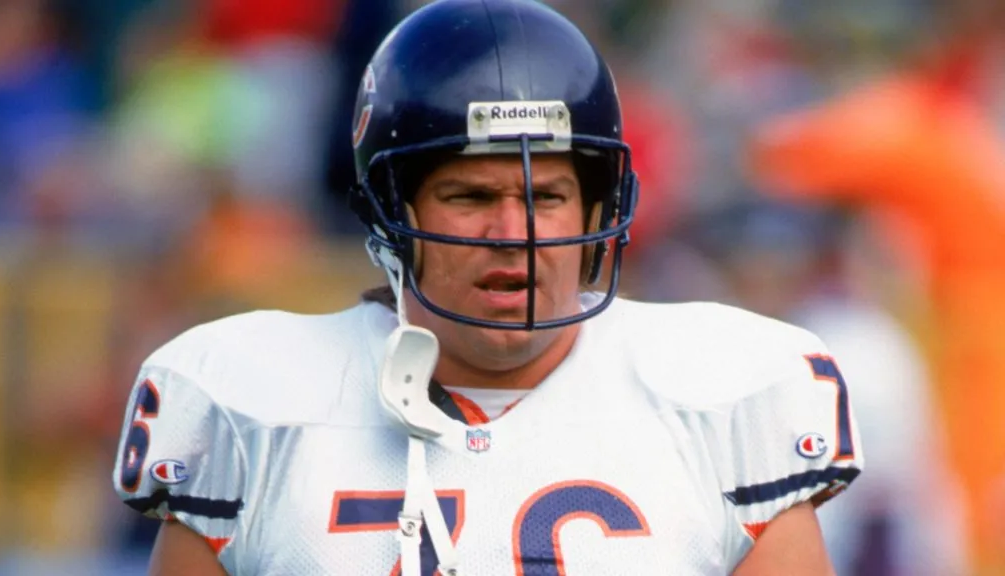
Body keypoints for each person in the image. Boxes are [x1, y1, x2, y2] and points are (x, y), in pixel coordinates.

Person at [111, 1, 864, 574]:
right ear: (393, 214)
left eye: (546, 198)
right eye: (470, 197)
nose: (514, 232)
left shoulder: (724, 395)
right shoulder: (251, 403)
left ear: (599, 208)